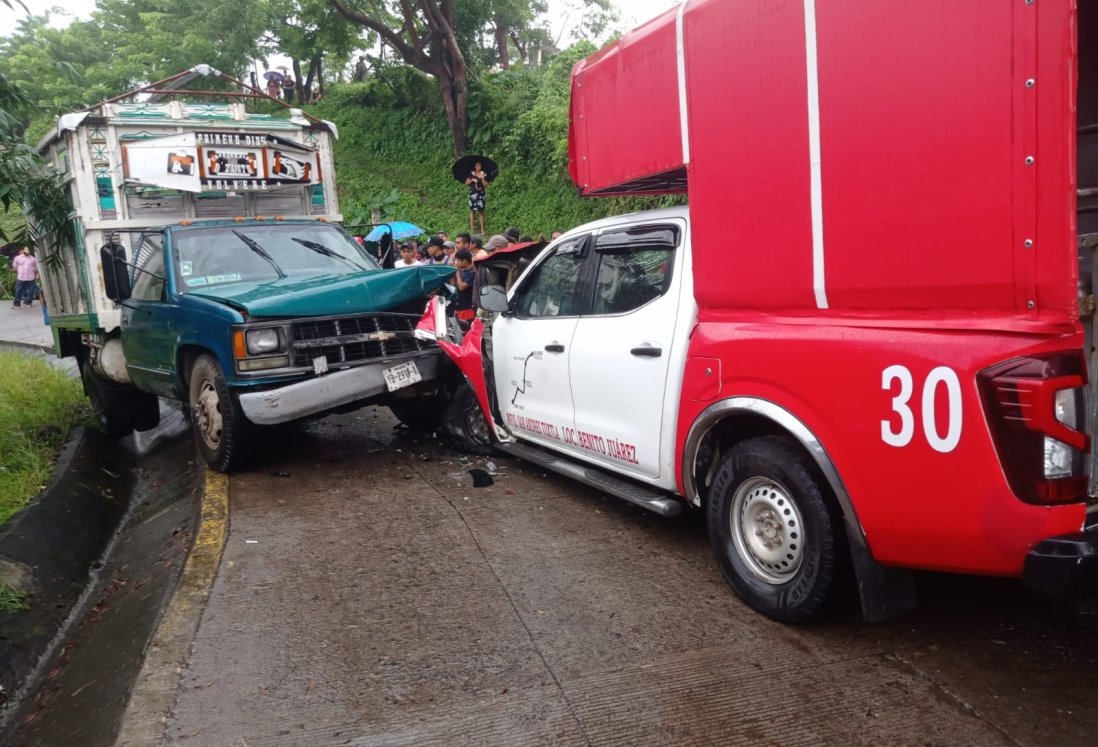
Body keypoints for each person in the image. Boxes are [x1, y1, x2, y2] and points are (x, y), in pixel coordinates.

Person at [452, 248, 477, 328]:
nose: (456, 263)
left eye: (458, 261)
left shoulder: (472, 273)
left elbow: (462, 287)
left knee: (466, 329)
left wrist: (457, 273)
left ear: (465, 261)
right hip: (459, 306)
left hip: (467, 308)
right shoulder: (463, 271)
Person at [465, 162, 488, 234]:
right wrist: (472, 180)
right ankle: (472, 227)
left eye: (479, 165)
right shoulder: (471, 173)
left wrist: (483, 178)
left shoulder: (483, 174)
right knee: (472, 210)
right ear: (475, 166)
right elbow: (466, 183)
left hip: (480, 194)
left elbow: (486, 185)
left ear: (481, 166)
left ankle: (482, 229)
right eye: (477, 165)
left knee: (481, 211)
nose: (478, 166)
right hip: (473, 194)